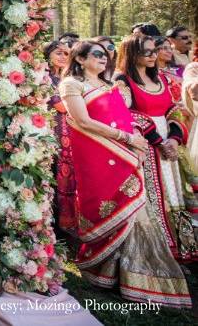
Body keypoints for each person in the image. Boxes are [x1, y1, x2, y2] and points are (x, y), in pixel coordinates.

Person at [59, 40, 190, 308]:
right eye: (96, 55)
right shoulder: (72, 84)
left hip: (125, 155)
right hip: (98, 158)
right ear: (80, 59)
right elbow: (83, 121)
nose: (103, 59)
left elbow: (125, 117)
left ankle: (134, 277)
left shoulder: (109, 86)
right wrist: (126, 139)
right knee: (116, 210)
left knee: (138, 213)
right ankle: (110, 272)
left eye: (106, 55)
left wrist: (135, 141)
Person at [114, 35, 198, 263]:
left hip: (168, 144)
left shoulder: (158, 77)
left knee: (175, 192)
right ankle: (159, 252)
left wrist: (173, 137)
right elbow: (125, 115)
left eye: (155, 51)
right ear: (132, 54)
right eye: (148, 52)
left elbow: (174, 108)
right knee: (154, 196)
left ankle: (183, 248)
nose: (154, 55)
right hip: (145, 147)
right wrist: (157, 140)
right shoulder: (122, 80)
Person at [43, 40, 75, 234]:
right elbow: (61, 106)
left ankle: (69, 222)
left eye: (66, 53)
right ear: (48, 56)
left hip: (73, 130)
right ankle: (53, 224)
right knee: (53, 173)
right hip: (52, 130)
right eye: (59, 53)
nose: (63, 57)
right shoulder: (45, 78)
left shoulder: (71, 78)